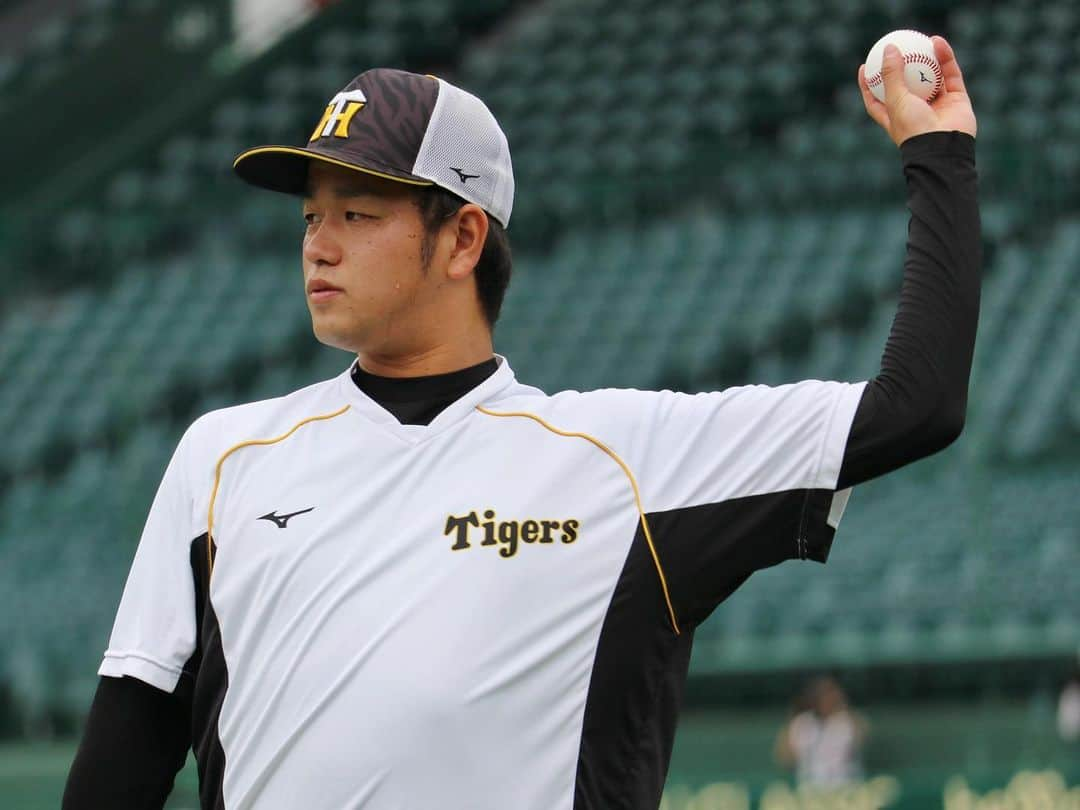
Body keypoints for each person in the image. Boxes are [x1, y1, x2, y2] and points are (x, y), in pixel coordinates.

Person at [63, 39, 980, 810]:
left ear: (464, 239)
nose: (318, 241)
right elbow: (126, 752)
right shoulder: (221, 458)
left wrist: (938, 155)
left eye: (357, 212)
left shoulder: (624, 463)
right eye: (310, 214)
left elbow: (917, 405)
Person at [774, 676, 869, 787]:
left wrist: (842, 706)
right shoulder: (802, 723)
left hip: (846, 790)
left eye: (831, 693)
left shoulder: (847, 721)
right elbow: (784, 758)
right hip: (812, 792)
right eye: (821, 694)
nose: (827, 698)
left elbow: (863, 735)